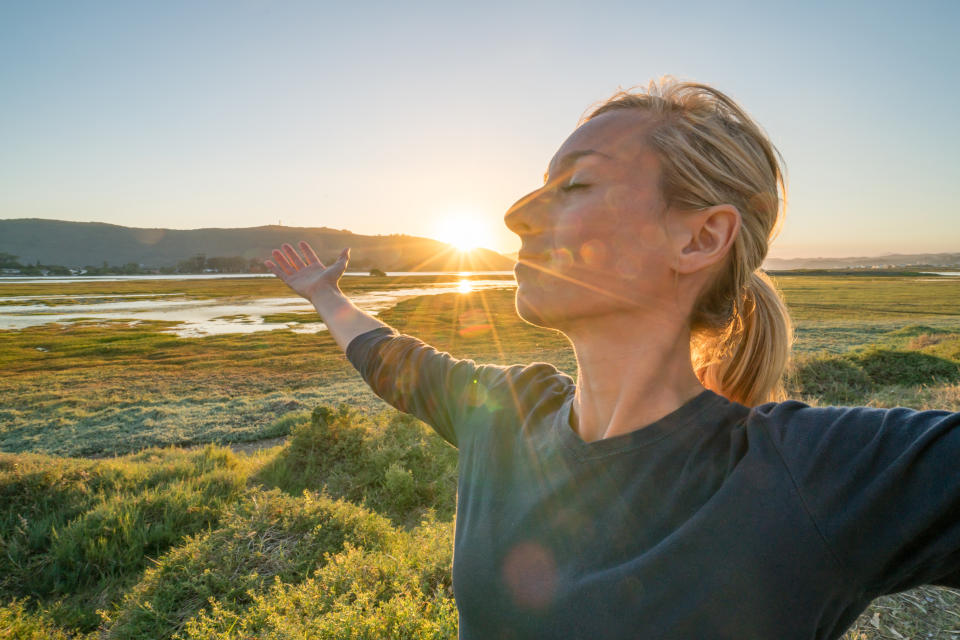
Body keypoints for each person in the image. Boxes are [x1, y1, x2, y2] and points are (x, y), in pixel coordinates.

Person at [265, 78, 960, 640]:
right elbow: (389, 360)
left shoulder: (805, 473)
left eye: (575, 185)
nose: (516, 212)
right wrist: (326, 297)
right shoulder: (505, 414)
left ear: (697, 240)